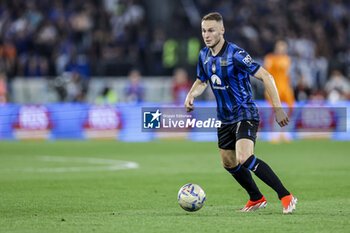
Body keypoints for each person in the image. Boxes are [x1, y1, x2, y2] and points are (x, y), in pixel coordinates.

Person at [184, 12, 297, 214]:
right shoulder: (204, 55)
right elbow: (202, 81)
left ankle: (286, 195)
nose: (207, 35)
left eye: (211, 30)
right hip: (224, 117)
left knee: (245, 157)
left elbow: (266, 76)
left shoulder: (236, 54)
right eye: (203, 31)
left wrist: (278, 109)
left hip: (245, 112)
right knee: (228, 162)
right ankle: (256, 198)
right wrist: (191, 95)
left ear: (221, 30)